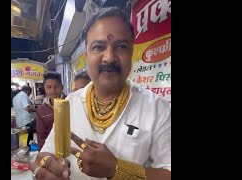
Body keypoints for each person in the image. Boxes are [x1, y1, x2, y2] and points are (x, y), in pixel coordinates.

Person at [30, 7, 171, 180]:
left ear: (131, 52)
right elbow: (47, 152)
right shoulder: (71, 102)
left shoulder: (158, 108)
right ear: (87, 55)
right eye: (98, 47)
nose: (109, 57)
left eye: (120, 46)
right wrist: (44, 165)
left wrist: (118, 170)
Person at [36, 71, 66, 149]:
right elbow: (41, 135)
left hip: (70, 146)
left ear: (62, 87)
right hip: (51, 148)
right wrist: (43, 154)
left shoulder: (71, 102)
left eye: (56, 86)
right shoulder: (41, 110)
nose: (53, 90)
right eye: (49, 87)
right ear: (45, 88)